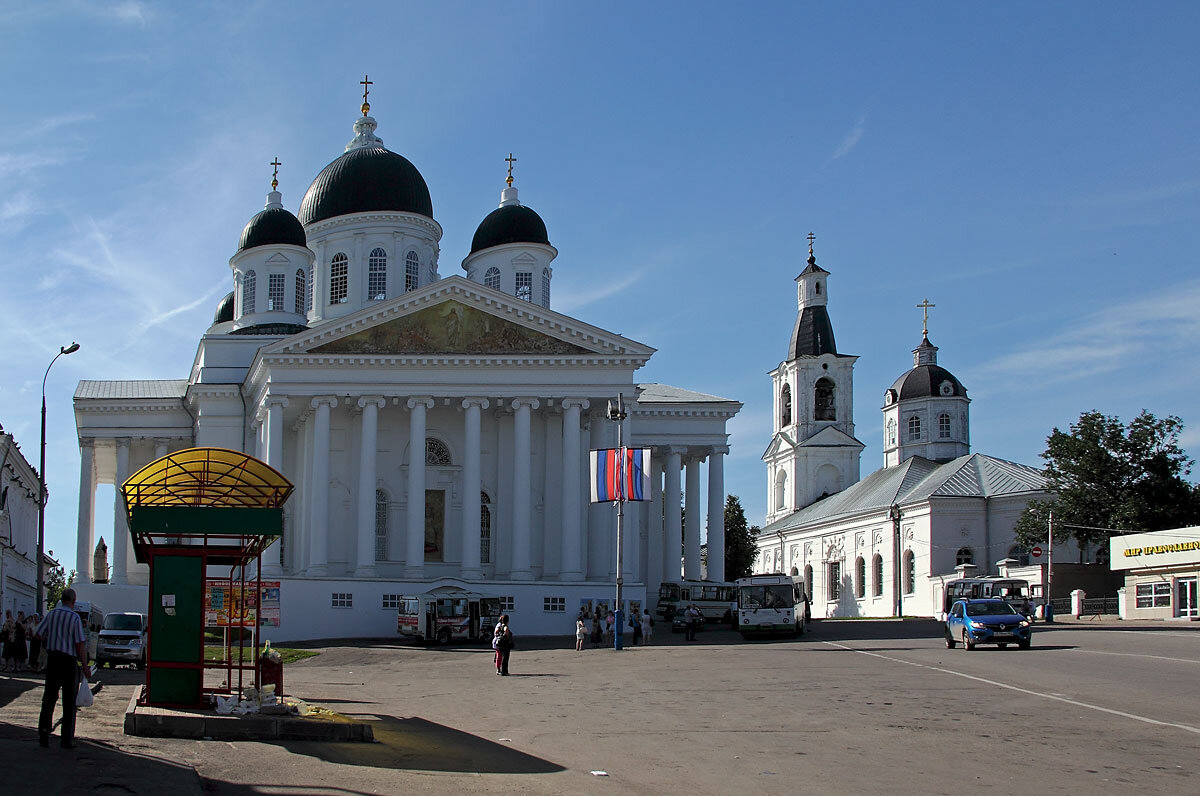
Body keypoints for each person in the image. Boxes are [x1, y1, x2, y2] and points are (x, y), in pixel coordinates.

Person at [36, 588, 92, 749]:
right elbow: (79, 644)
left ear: (61, 599)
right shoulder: (74, 618)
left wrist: (48, 643)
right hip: (68, 661)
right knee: (69, 702)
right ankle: (66, 739)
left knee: (49, 698)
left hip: (53, 659)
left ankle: (44, 733)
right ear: (73, 601)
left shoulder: (52, 614)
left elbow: (38, 633)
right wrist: (85, 666)